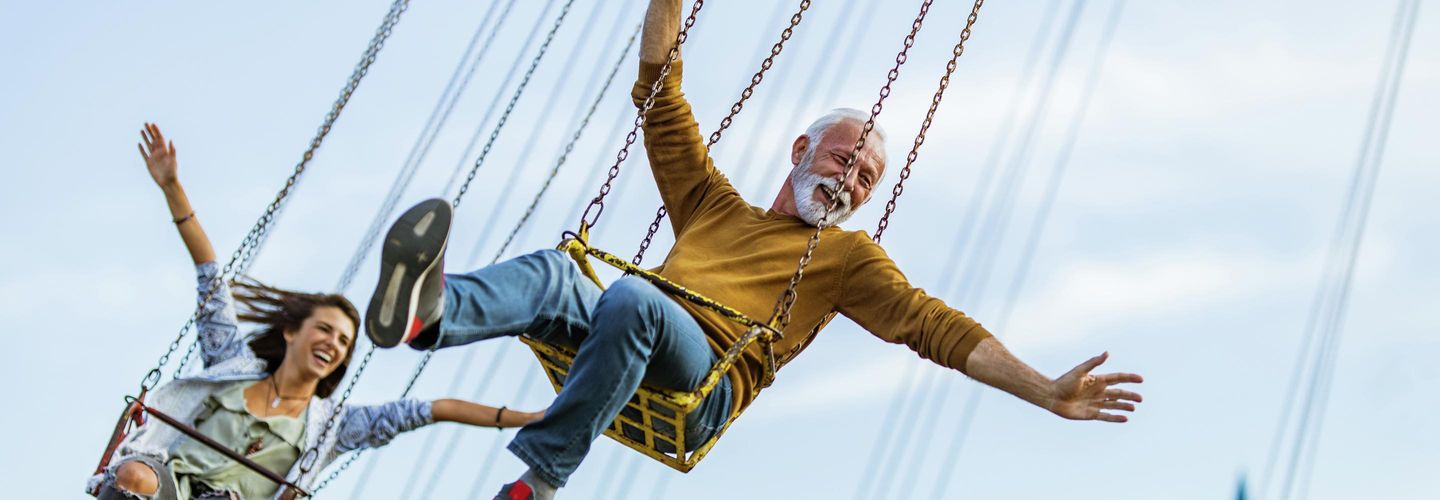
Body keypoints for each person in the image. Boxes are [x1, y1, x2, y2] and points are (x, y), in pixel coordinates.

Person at [365, 1, 1145, 498]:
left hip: (695, 385)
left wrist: (1044, 389)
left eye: (868, 179)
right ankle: (430, 316)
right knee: (554, 271)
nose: (851, 182)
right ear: (803, 147)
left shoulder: (844, 260)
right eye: (845, 160)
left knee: (635, 299)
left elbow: (934, 327)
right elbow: (659, 89)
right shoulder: (711, 205)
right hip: (626, 340)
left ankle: (542, 478)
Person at [87, 123, 546, 500]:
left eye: (344, 341)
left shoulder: (332, 426)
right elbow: (210, 273)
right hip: (164, 488)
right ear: (291, 332)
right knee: (135, 478)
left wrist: (528, 419)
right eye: (325, 330)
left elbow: (434, 409)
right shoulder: (231, 364)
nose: (334, 343)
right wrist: (172, 187)